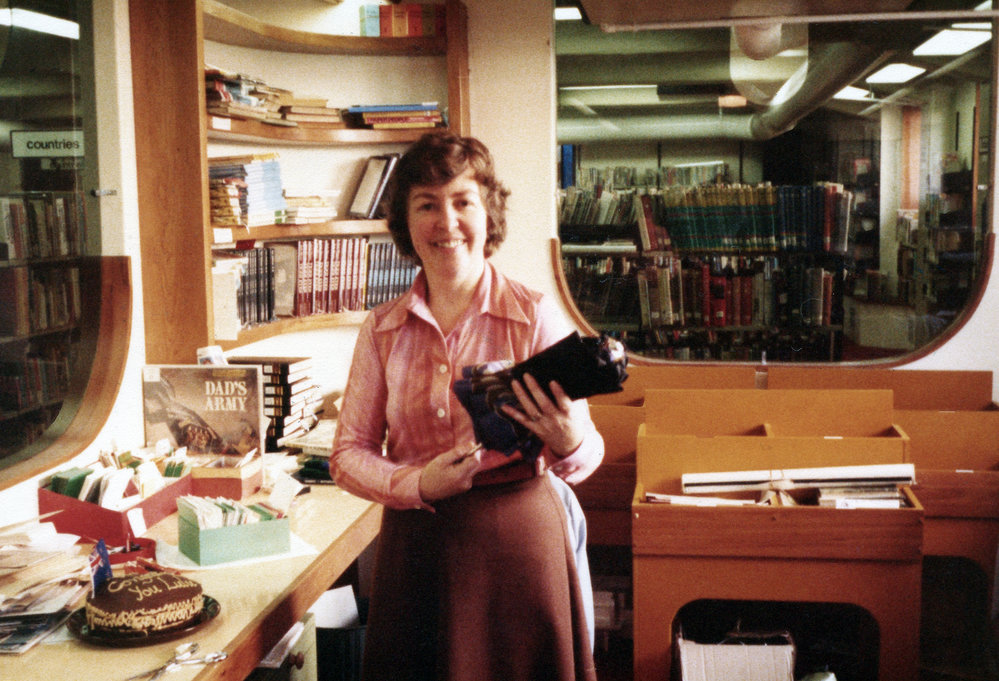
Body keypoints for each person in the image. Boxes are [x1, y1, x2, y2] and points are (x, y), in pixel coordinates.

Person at [331, 131, 603, 681]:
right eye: (426, 205)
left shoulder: (534, 315)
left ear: (488, 214)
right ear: (405, 222)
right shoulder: (381, 329)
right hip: (417, 547)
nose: (445, 221)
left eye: (462, 202)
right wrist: (416, 484)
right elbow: (347, 453)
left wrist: (568, 438)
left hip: (519, 548)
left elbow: (589, 452)